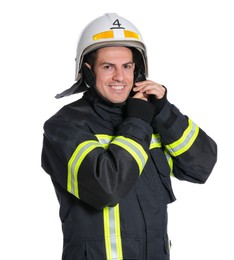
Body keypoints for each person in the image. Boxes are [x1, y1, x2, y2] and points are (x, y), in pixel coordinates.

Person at [41, 13, 217, 260]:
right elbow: (107, 188)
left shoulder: (149, 118)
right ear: (88, 72)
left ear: (138, 70)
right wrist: (137, 121)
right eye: (107, 67)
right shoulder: (65, 126)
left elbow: (201, 167)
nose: (119, 77)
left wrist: (164, 112)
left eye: (127, 66)